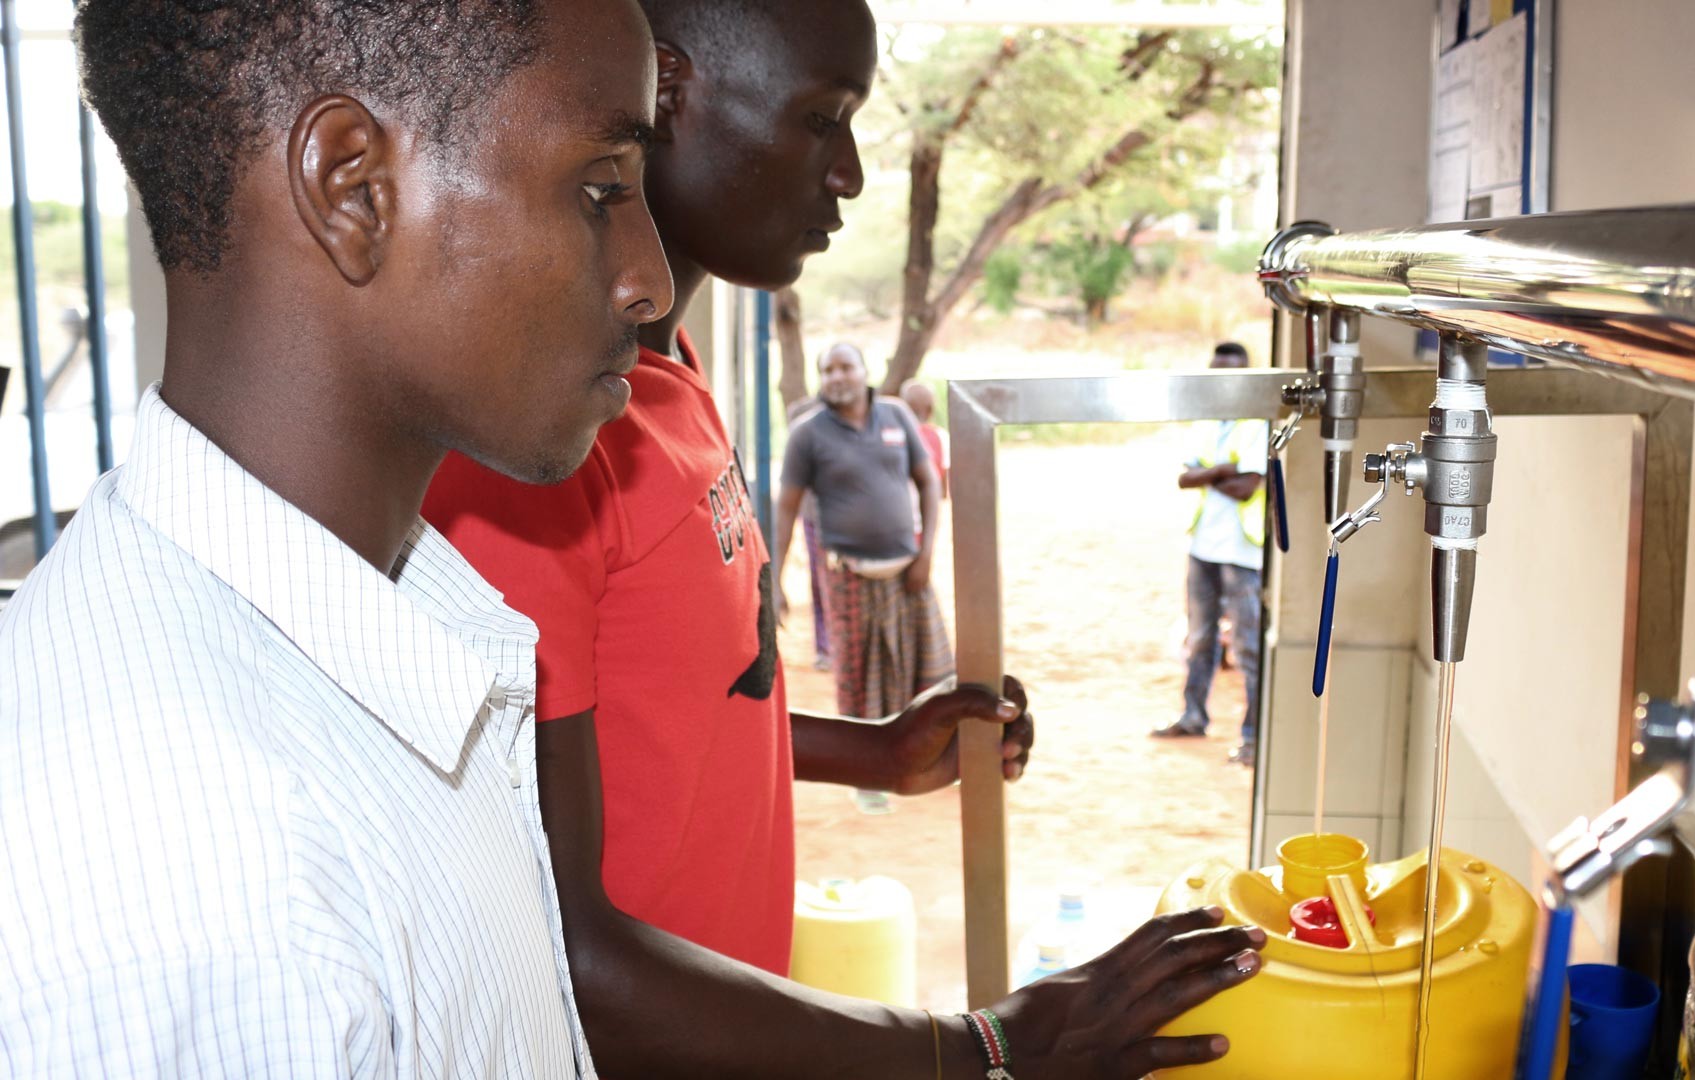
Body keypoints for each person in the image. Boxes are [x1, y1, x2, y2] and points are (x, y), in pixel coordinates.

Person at [424, 1, 1265, 1075]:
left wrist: (862, 749)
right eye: (822, 119)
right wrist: (989, 1048)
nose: (852, 173)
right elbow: (570, 957)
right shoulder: (543, 453)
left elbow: (659, 717)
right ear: (668, 94)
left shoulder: (667, 378)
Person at [0, 0, 677, 1072]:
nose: (652, 279)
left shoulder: (385, 620)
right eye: (600, 191)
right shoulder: (197, 878)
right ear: (352, 189)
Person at [775, 343, 953, 724]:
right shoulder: (806, 434)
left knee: (927, 671)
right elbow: (786, 508)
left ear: (864, 370)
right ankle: (869, 775)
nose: (837, 376)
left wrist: (926, 557)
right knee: (858, 679)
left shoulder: (896, 415)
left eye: (845, 366)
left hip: (908, 571)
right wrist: (774, 581)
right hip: (847, 576)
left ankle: (928, 758)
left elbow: (929, 482)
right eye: (827, 370)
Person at [1153, 341, 1269, 767]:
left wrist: (1209, 473)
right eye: (1218, 371)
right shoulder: (1204, 421)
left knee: (1247, 647)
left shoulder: (1259, 422)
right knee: (1199, 638)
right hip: (1203, 546)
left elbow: (1247, 489)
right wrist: (1224, 469)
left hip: (1242, 552)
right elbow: (1185, 479)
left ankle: (1253, 738)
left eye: (1233, 372)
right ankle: (1192, 716)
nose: (1224, 380)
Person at [788, 394, 835, 669]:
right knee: (820, 584)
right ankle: (825, 649)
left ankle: (835, 649)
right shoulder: (803, 415)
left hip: (841, 520)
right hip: (814, 519)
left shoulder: (844, 413)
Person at [903, 378, 950, 499]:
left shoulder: (896, 435)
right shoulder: (941, 435)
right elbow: (944, 483)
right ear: (931, 409)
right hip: (932, 501)